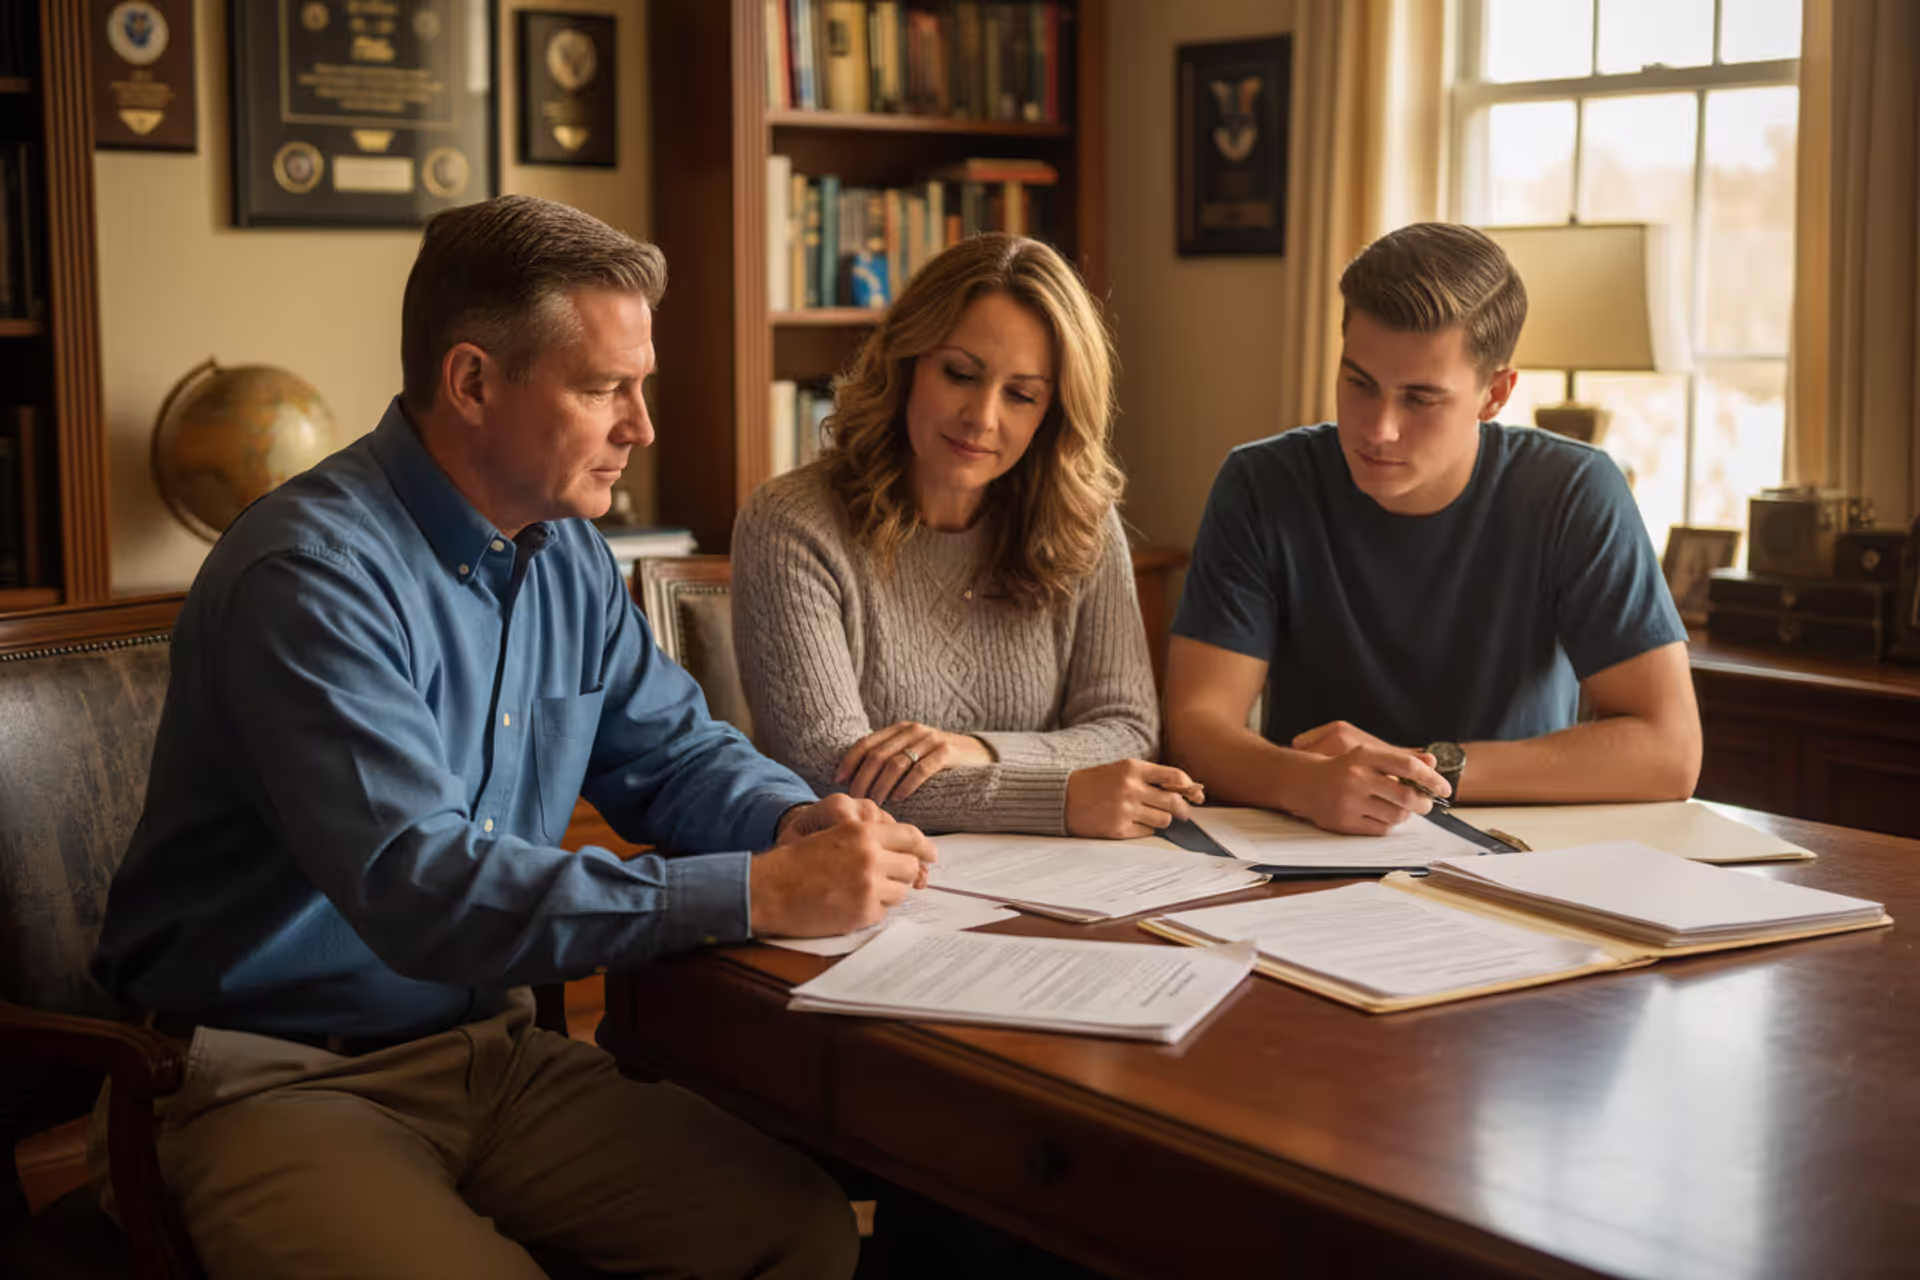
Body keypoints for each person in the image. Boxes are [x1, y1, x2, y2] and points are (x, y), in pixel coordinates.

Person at [89, 195, 936, 1279]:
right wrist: (756, 891)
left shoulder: (567, 550)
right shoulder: (308, 578)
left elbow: (675, 751)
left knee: (802, 1233)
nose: (642, 425)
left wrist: (796, 817)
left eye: (642, 385)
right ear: (474, 381)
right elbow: (422, 885)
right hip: (266, 1082)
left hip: (485, 1055)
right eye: (604, 389)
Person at [1164, 221, 1701, 836]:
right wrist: (1302, 783)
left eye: (1420, 399)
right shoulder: (1262, 483)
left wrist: (1426, 769)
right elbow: (1196, 730)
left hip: (1517, 851)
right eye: (1359, 383)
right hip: (1312, 839)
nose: (1378, 429)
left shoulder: (1575, 491)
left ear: (1494, 394)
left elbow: (1670, 752)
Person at [732, 233, 1198, 839]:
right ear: (906, 364)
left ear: (1051, 412)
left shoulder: (1082, 520)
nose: (982, 417)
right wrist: (1056, 799)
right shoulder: (792, 522)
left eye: (1021, 394)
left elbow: (1127, 729)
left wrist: (973, 748)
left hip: (1058, 884)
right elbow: (828, 770)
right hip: (863, 888)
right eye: (959, 374)